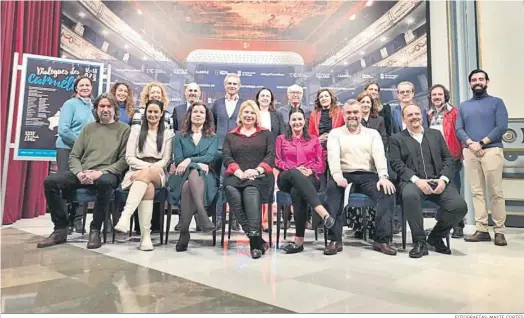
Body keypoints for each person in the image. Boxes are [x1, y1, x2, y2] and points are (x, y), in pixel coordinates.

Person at [38, 93, 130, 249]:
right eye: (102, 106)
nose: (105, 109)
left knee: (105, 182)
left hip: (107, 174)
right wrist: (79, 173)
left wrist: (101, 172)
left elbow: (123, 160)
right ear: (96, 109)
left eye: (109, 106)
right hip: (84, 172)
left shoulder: (124, 129)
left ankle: (95, 230)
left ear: (115, 109)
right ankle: (60, 229)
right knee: (51, 182)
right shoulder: (88, 128)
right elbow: (74, 155)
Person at [390, 104, 468, 258]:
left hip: (438, 181)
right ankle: (419, 242)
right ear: (404, 119)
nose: (414, 117)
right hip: (413, 183)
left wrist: (444, 180)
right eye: (410, 115)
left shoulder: (436, 135)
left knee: (459, 206)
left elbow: (448, 159)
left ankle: (435, 237)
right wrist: (417, 181)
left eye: (417, 114)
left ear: (422, 116)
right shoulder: (396, 139)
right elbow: (396, 164)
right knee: (409, 196)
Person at [324, 99, 397, 256]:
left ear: (361, 113)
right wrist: (337, 176)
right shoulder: (335, 134)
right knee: (331, 193)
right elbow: (333, 157)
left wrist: (383, 176)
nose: (352, 116)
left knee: (387, 192)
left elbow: (379, 155)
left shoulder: (373, 134)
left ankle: (381, 240)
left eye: (355, 112)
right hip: (343, 175)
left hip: (368, 175)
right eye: (349, 112)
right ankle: (334, 240)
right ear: (343, 114)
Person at [456, 69, 509, 246]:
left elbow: (501, 126)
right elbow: (459, 129)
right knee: (477, 192)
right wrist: (471, 143)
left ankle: (499, 231)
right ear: (470, 83)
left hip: (491, 150)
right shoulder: (463, 105)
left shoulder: (497, 102)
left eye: (481, 79)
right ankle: (482, 229)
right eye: (474, 80)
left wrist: (482, 142)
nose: (477, 82)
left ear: (487, 81)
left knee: (496, 192)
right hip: (470, 151)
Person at [113, 100, 174, 251]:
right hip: (136, 171)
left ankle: (125, 216)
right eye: (150, 112)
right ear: (145, 113)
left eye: (156, 112)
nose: (152, 115)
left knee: (148, 179)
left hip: (158, 173)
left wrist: (147, 170)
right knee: (148, 187)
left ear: (161, 114)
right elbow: (129, 158)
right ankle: (145, 237)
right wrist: (145, 170)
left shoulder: (167, 133)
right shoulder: (135, 131)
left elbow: (166, 161)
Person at [276, 107, 335, 254]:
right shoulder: (281, 139)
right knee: (295, 176)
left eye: (299, 119)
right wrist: (296, 169)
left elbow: (320, 163)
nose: (297, 122)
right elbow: (277, 161)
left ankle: (299, 241)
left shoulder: (314, 140)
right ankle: (322, 212)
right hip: (286, 178)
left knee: (298, 192)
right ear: (289, 122)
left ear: (304, 121)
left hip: (310, 177)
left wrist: (310, 170)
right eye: (294, 119)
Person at [223, 100, 275, 259]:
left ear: (257, 116)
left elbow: (271, 155)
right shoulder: (231, 135)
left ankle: (254, 245)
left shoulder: (266, 133)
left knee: (250, 192)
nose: (249, 115)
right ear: (240, 115)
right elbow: (227, 157)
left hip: (259, 176)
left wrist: (257, 170)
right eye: (246, 112)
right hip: (236, 175)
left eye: (252, 113)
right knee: (232, 192)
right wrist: (239, 172)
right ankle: (257, 239)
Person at [168, 101, 219, 252]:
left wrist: (190, 160)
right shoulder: (179, 136)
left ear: (206, 117)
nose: (198, 115)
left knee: (188, 185)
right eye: (195, 112)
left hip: (206, 176)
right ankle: (202, 215)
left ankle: (184, 232)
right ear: (189, 115)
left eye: (201, 112)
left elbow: (209, 157)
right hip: (181, 174)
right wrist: (197, 164)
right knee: (190, 178)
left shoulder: (213, 137)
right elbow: (178, 160)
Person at [132, 82, 173, 234]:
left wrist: (156, 166)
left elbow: (169, 143)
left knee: (149, 182)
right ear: (147, 95)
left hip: (159, 163)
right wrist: (145, 166)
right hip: (140, 162)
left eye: (159, 92)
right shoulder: (138, 116)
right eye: (153, 92)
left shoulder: (168, 117)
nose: (156, 94)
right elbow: (133, 146)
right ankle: (142, 229)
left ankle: (151, 224)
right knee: (144, 184)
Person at [56, 76, 94, 233]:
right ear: (76, 88)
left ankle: (77, 221)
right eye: (81, 85)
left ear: (91, 88)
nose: (85, 87)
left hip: (85, 152)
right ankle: (64, 223)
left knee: (81, 183)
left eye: (87, 85)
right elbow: (63, 130)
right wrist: (81, 143)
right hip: (67, 149)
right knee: (65, 184)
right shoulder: (69, 104)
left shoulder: (93, 106)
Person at [428, 84, 464, 238]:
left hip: (451, 157)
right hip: (435, 159)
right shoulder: (429, 114)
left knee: (454, 192)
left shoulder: (454, 112)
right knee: (440, 193)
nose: (437, 97)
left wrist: (461, 153)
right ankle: (443, 225)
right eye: (434, 95)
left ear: (445, 96)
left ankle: (458, 226)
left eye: (439, 94)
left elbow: (460, 133)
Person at [212, 73, 245, 231]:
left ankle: (235, 219)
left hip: (238, 150)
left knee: (237, 185)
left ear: (239, 86)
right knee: (220, 184)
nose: (232, 86)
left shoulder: (245, 104)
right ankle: (219, 218)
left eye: (235, 84)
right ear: (225, 85)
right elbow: (211, 126)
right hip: (219, 149)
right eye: (229, 83)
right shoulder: (217, 104)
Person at [255, 87, 285, 231]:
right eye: (262, 95)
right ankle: (255, 220)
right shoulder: (253, 114)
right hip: (254, 154)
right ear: (258, 98)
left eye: (268, 95)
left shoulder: (277, 115)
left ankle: (267, 221)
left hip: (271, 155)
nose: (265, 98)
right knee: (255, 187)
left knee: (268, 187)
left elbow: (282, 136)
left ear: (271, 99)